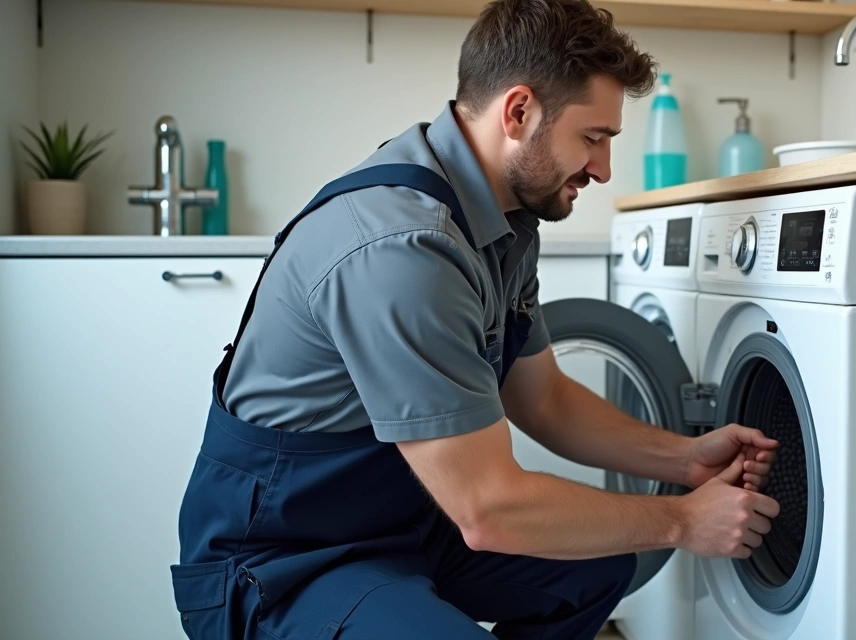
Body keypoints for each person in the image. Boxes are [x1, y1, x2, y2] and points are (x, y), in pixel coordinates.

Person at [169, 1, 780, 638]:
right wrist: (683, 521)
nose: (602, 168)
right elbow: (488, 510)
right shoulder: (403, 249)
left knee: (598, 567)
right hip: (283, 560)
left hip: (400, 521)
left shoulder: (505, 219)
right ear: (518, 112)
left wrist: (684, 460)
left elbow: (544, 399)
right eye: (593, 138)